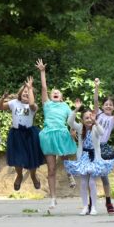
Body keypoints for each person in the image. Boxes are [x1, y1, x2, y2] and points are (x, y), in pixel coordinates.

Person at [35, 58, 77, 209]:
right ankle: (53, 198)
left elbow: (72, 120)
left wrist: (73, 130)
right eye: (54, 92)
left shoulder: (65, 106)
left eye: (58, 93)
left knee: (65, 159)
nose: (55, 93)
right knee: (51, 169)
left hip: (61, 134)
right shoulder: (46, 104)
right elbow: (44, 88)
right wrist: (42, 72)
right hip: (48, 136)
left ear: (61, 97)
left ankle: (69, 173)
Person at [64, 100, 114, 216]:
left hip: (94, 158)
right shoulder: (79, 128)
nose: (88, 120)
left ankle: (93, 207)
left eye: (90, 117)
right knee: (83, 182)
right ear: (82, 120)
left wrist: (95, 122)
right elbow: (70, 121)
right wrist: (76, 109)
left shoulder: (95, 128)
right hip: (83, 158)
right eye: (86, 118)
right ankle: (84, 207)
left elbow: (102, 132)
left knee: (92, 182)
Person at [0, 76, 44, 191]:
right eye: (24, 91)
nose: (26, 93)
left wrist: (30, 88)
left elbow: (31, 104)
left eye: (29, 92)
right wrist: (3, 98)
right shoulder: (14, 103)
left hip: (29, 135)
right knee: (17, 158)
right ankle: (19, 175)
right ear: (20, 92)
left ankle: (33, 176)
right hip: (16, 134)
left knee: (31, 158)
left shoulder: (33, 106)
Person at [93, 78, 114, 215]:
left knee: (104, 176)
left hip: (103, 148)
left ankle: (108, 201)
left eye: (111, 105)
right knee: (91, 176)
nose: (109, 106)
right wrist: (96, 87)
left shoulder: (112, 120)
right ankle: (91, 202)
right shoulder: (98, 114)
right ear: (103, 106)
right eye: (106, 104)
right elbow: (95, 101)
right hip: (92, 147)